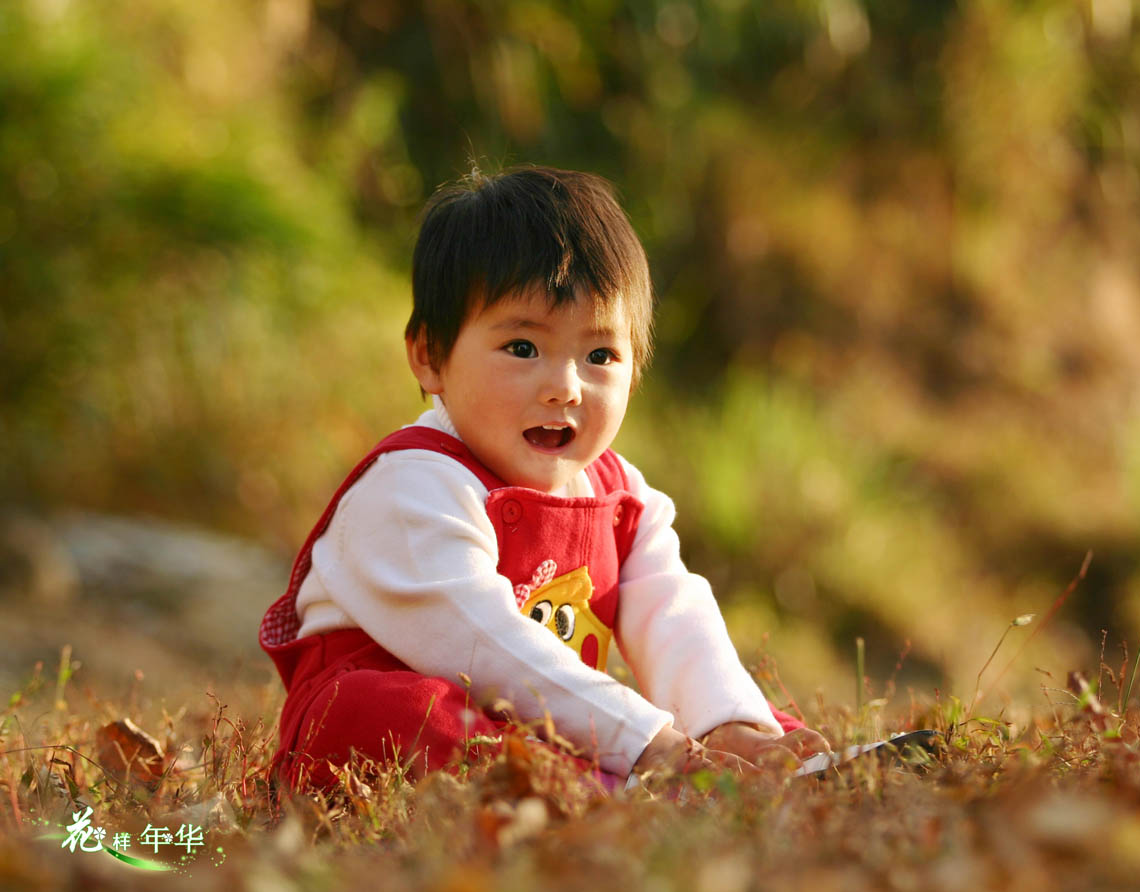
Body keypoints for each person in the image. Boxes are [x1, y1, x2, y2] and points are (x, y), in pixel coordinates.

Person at [259, 165, 827, 791]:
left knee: (732, 714)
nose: (564, 386)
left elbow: (672, 612)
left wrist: (723, 720)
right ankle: (611, 788)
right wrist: (647, 742)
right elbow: (486, 647)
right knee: (382, 713)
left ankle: (753, 757)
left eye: (600, 355)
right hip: (416, 721)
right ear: (430, 355)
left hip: (548, 720)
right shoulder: (412, 487)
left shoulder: (621, 497)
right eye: (523, 349)